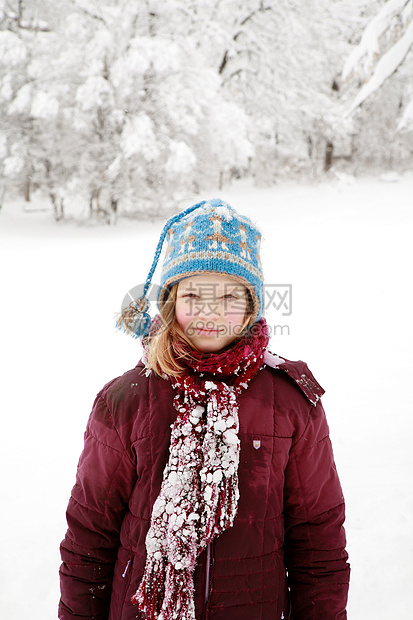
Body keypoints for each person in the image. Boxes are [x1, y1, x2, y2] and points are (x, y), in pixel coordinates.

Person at [59, 198, 350, 620]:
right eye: (194, 294)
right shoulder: (125, 399)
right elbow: (90, 535)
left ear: (252, 306)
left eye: (231, 295)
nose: (211, 311)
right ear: (171, 302)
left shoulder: (288, 401)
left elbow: (318, 539)